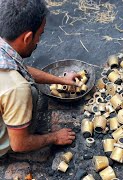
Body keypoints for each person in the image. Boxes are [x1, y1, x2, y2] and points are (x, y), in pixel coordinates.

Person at [0, 0, 77, 157]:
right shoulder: (17, 87)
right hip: (12, 144)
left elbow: (19, 68)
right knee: (31, 92)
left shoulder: (4, 51)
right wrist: (54, 137)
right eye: (39, 35)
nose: (38, 41)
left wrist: (62, 80)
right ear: (28, 37)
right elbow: (19, 145)